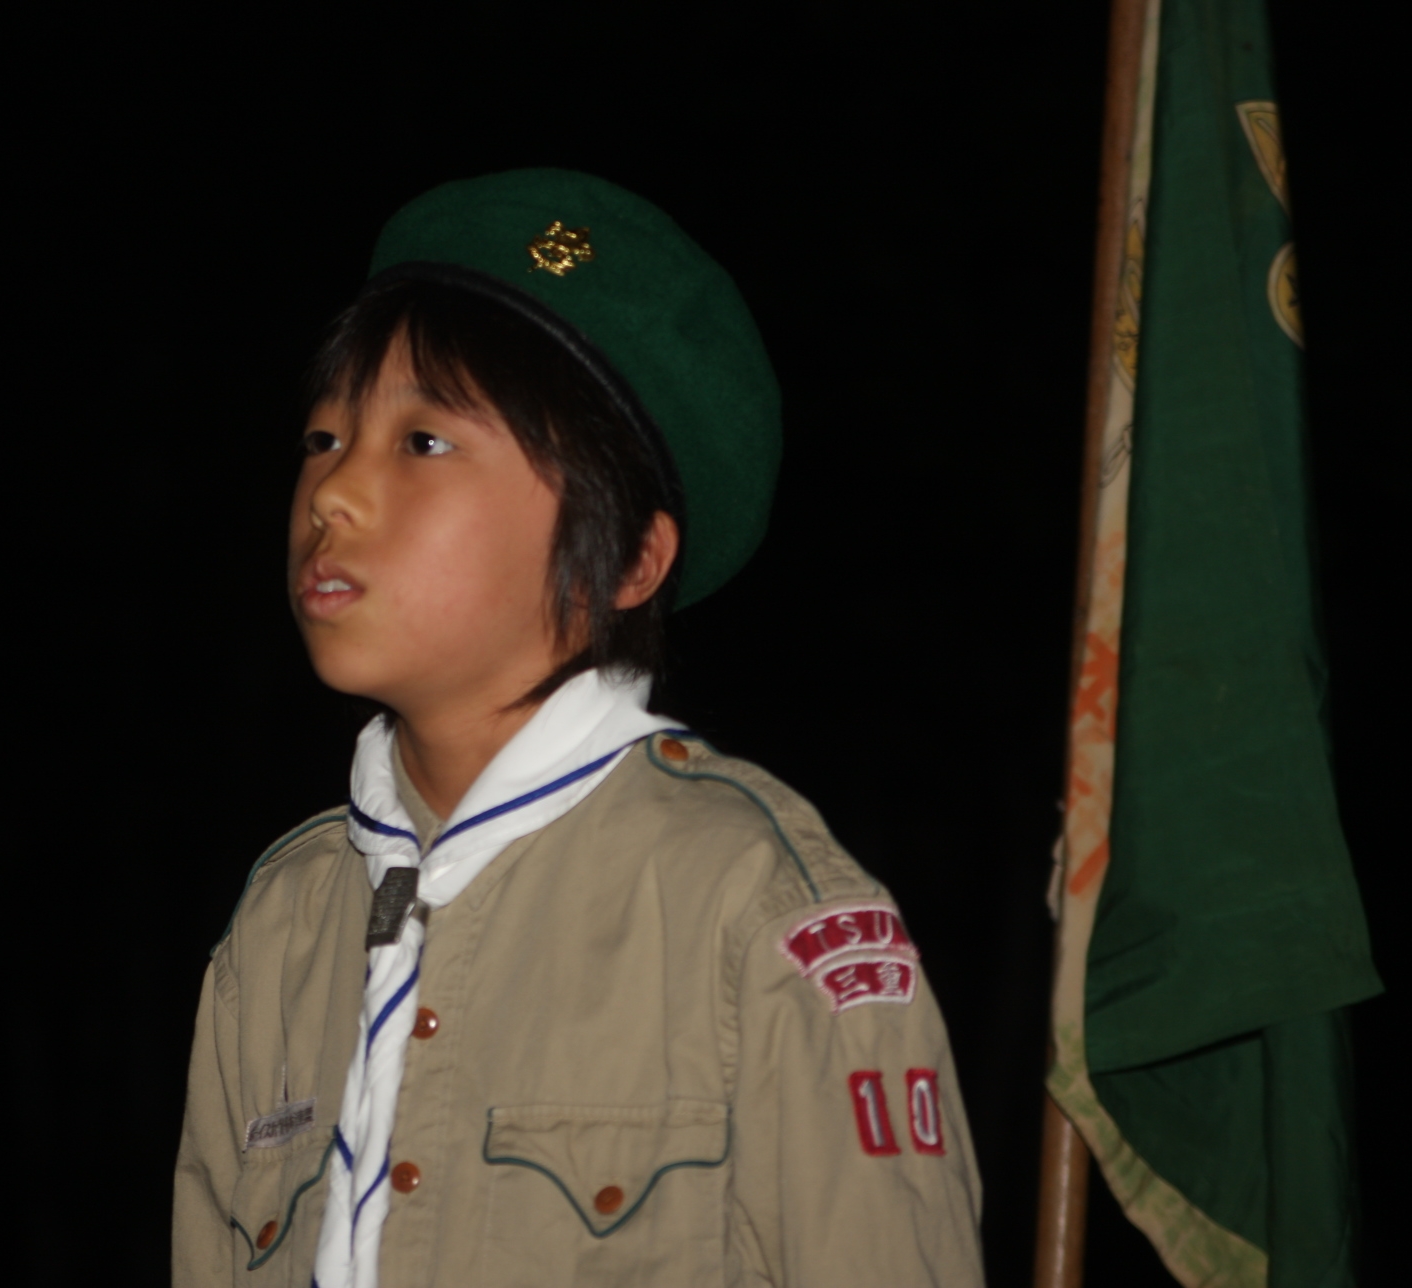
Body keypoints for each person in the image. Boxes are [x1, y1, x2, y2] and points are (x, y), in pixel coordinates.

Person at [173, 169, 983, 1287]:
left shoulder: (754, 908)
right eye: (323, 436)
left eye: (423, 442)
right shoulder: (281, 926)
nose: (334, 493)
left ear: (629, 559)